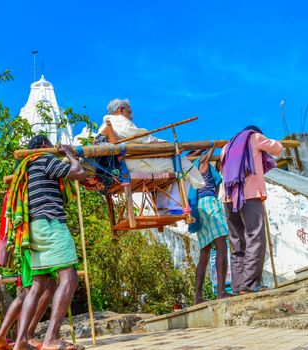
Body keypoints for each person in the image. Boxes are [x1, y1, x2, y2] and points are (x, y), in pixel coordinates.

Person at [13, 135, 86, 350]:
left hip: (33, 228)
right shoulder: (45, 159)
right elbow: (78, 173)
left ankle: (21, 342)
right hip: (50, 223)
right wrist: (70, 155)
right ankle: (51, 338)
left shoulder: (27, 167)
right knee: (69, 277)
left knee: (38, 284)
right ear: (45, 146)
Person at [98, 98, 205, 211]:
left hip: (125, 164)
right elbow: (141, 137)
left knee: (168, 169)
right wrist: (164, 144)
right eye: (129, 112)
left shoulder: (104, 126)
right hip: (134, 164)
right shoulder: (118, 121)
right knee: (184, 164)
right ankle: (182, 202)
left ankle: (162, 207)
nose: (131, 116)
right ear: (121, 110)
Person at [220, 125, 283, 294]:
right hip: (250, 196)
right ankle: (250, 284)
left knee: (237, 242)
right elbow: (277, 149)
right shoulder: (255, 138)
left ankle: (238, 286)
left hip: (229, 199)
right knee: (255, 237)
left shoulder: (226, 147)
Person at [188, 148, 231, 304]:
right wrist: (211, 145)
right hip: (209, 205)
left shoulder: (189, 169)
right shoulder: (200, 162)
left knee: (204, 253)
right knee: (221, 245)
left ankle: (197, 297)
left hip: (198, 209)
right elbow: (205, 159)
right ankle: (221, 292)